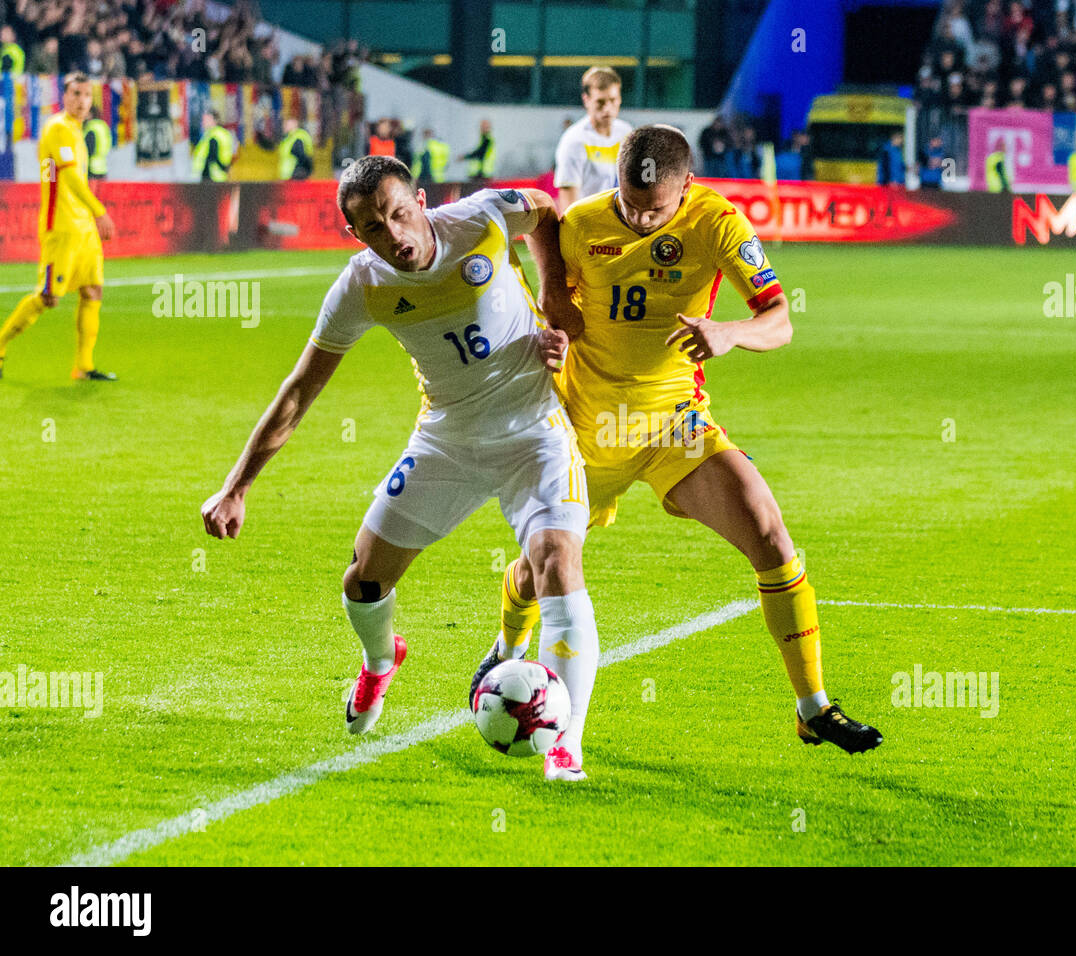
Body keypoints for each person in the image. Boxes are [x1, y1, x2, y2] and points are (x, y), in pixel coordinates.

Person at [470, 125, 883, 763]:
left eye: (653, 210)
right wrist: (552, 331)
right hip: (585, 426)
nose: (637, 218)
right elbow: (551, 307)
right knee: (538, 569)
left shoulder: (717, 222)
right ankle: (506, 651)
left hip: (673, 425)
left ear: (686, 187)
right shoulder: (582, 224)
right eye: (629, 204)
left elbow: (780, 322)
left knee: (770, 535)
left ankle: (813, 709)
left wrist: (730, 331)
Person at [200, 157, 599, 782]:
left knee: (556, 559)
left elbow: (545, 210)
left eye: (399, 214)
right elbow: (301, 389)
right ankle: (381, 662)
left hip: (535, 431)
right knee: (363, 580)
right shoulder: (361, 287)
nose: (395, 236)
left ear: (419, 199)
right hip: (448, 440)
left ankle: (564, 746)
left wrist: (551, 296)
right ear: (354, 235)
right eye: (373, 228)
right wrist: (237, 485)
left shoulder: (484, 216)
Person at [0, 72, 117, 382]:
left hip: (83, 228)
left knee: (93, 290)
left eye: (86, 95)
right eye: (75, 94)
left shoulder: (78, 131)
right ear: (64, 97)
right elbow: (69, 178)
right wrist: (99, 211)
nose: (81, 101)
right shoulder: (58, 129)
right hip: (62, 227)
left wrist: (90, 217)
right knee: (49, 297)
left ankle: (84, 366)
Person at [553, 66, 633, 215]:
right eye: (600, 102)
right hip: (590, 227)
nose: (607, 108)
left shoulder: (627, 133)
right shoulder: (574, 141)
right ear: (586, 100)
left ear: (620, 98)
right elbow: (568, 207)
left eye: (613, 100)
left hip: (624, 227)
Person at [192, 109, 236, 182]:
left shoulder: (213, 135)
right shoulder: (222, 133)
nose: (203, 123)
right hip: (220, 176)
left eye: (205, 120)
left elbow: (212, 157)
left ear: (213, 120)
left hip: (211, 177)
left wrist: (204, 175)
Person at [278, 115, 313, 180]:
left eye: (287, 124)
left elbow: (302, 156)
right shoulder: (288, 138)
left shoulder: (298, 138)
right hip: (288, 175)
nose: (285, 126)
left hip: (296, 174)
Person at [83, 105, 111, 181]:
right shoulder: (103, 126)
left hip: (91, 168)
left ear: (90, 114)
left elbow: (89, 150)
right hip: (102, 167)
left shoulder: (91, 127)